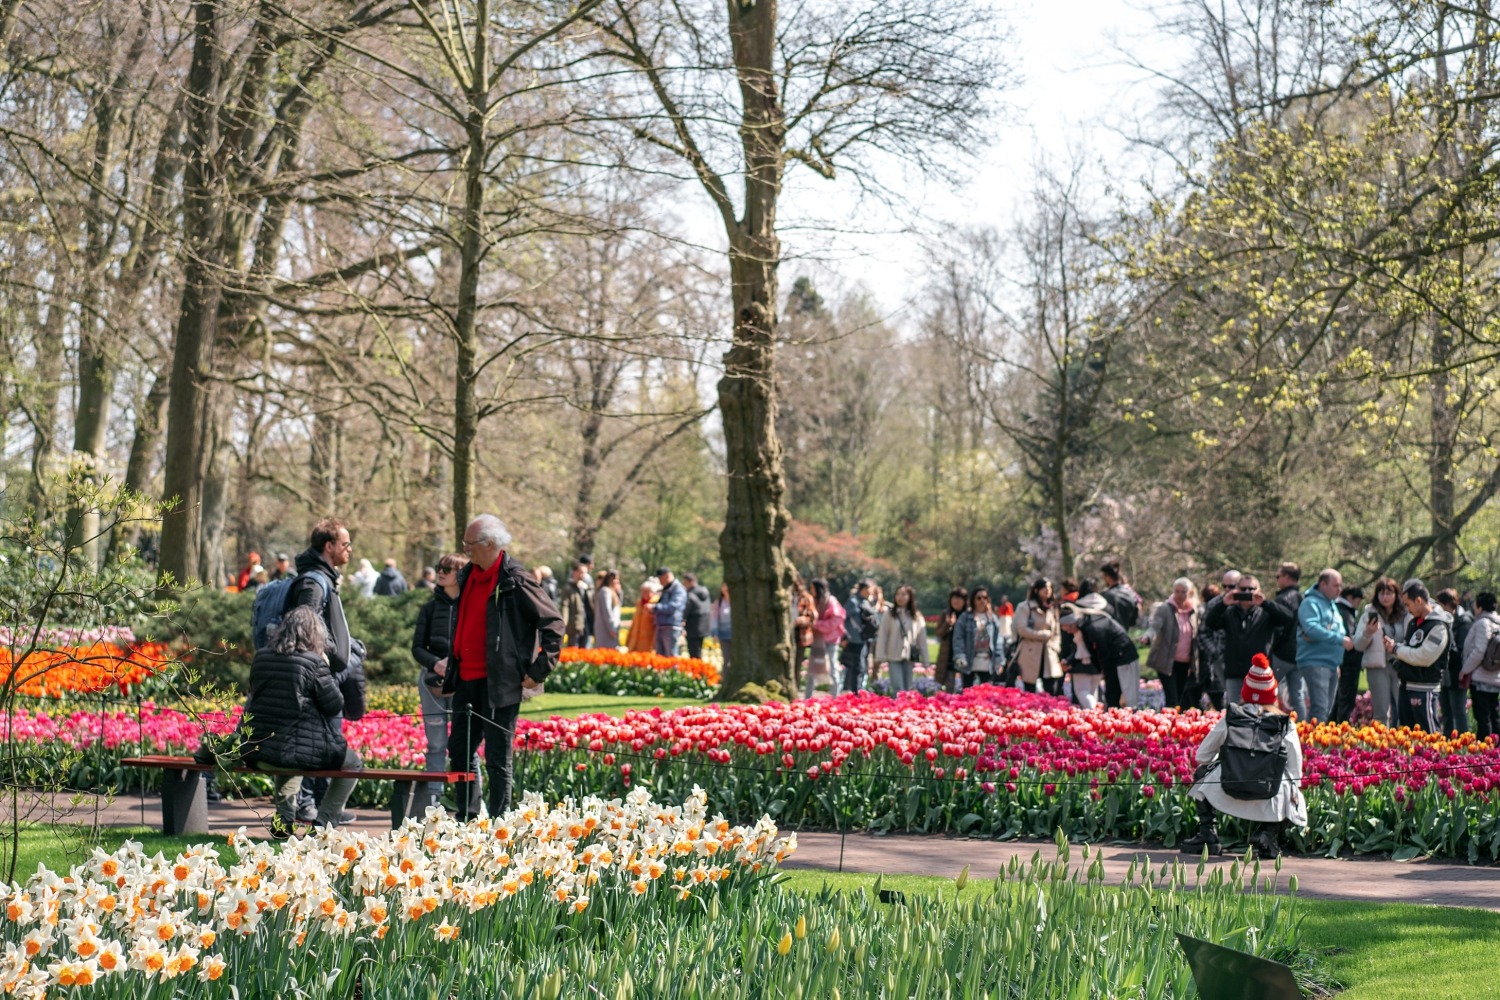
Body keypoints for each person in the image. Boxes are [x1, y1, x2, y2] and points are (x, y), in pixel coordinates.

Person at [443, 514, 563, 819]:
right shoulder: (468, 574)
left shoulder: (516, 579)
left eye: (469, 544)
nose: (465, 550)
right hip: (466, 679)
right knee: (459, 750)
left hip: (499, 683)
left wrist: (538, 671)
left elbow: (553, 623)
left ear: (490, 544)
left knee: (498, 758)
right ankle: (468, 818)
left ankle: (499, 825)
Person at [241, 606, 363, 839]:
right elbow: (334, 705)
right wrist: (325, 666)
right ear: (315, 634)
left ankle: (283, 822)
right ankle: (324, 823)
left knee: (287, 757)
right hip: (296, 753)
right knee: (353, 764)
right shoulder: (314, 663)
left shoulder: (261, 658)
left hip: (259, 750)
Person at [1179, 654, 1308, 859]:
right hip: (1269, 795)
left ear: (1245, 691)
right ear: (1272, 694)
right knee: (1293, 788)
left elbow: (1201, 756)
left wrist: (1229, 761)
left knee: (1203, 772)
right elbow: (1295, 771)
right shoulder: (1285, 723)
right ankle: (1267, 834)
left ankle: (1208, 834)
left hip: (1227, 791)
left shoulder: (1233, 716)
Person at [285, 518, 367, 824]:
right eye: (345, 544)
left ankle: (318, 805)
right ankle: (310, 807)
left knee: (326, 738)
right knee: (320, 741)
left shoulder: (323, 577)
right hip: (316, 676)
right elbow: (304, 627)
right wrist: (333, 655)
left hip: (321, 671)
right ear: (328, 547)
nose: (349, 550)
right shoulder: (312, 582)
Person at [410, 553, 473, 814]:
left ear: (460, 573)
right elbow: (416, 648)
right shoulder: (429, 608)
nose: (441, 572)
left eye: (448, 568)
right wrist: (436, 663)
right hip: (432, 682)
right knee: (435, 743)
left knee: (467, 744)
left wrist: (458, 661)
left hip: (463, 682)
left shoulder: (471, 606)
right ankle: (433, 805)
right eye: (439, 568)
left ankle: (469, 804)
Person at [1202, 574, 1294, 707]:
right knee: (1234, 712)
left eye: (1251, 589)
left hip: (1259, 675)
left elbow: (1288, 618)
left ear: (1258, 590)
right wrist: (1223, 604)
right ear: (1236, 591)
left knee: (1261, 712)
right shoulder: (1229, 612)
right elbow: (1210, 622)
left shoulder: (1266, 612)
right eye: (1243, 589)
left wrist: (1265, 603)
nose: (1247, 592)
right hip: (1235, 673)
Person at [1388, 579, 1452, 733]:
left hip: (1425, 688)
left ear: (1418, 600)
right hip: (1406, 685)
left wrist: (1396, 649)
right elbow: (1411, 649)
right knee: (1406, 734)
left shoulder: (1438, 627)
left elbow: (1423, 656)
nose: (1407, 609)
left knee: (1427, 734)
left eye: (1408, 604)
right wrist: (1395, 647)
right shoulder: (1414, 622)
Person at [1289, 569, 1352, 723]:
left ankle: (1313, 744)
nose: (1339, 589)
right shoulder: (1310, 603)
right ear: (1323, 584)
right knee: (1320, 710)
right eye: (1335, 585)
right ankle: (1312, 746)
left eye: (1340, 586)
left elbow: (1337, 628)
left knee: (1325, 710)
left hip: (1330, 663)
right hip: (1315, 662)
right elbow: (1311, 629)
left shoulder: (1331, 605)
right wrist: (1340, 639)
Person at [1059, 599, 1139, 708]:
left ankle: (1121, 720)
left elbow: (1102, 652)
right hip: (1114, 659)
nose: (1068, 633)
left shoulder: (1093, 627)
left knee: (1124, 696)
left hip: (1123, 657)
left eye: (1068, 630)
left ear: (1073, 624)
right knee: (1112, 695)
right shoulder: (1084, 625)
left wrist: (1103, 671)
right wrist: (1070, 662)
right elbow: (1082, 649)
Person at [1352, 577, 1407, 728]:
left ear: (1397, 595)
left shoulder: (1405, 614)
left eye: (1389, 593)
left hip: (1400, 665)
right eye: (1381, 594)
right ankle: (1381, 746)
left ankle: (1402, 744)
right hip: (1377, 666)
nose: (1385, 597)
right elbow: (1357, 645)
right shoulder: (1369, 614)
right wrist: (1368, 633)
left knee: (1403, 709)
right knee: (1381, 711)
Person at [1143, 578, 1199, 710]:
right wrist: (1147, 636)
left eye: (1183, 592)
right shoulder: (1165, 609)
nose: (1179, 595)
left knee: (1179, 697)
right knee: (1172, 699)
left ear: (1189, 593)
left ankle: (1176, 726)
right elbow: (1155, 626)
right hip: (1166, 661)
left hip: (1185, 662)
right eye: (1177, 591)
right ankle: (1168, 727)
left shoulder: (1193, 611)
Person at [1459, 592, 1500, 740]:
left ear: (1480, 606)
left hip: (1481, 678)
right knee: (1494, 716)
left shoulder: (1482, 623)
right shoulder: (1499, 621)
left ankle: (1487, 753)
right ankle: (1496, 753)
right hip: (1496, 678)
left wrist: (1464, 670)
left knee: (1483, 718)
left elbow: (1478, 651)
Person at [874, 584, 926, 693]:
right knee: (897, 686)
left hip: (909, 655)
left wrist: (926, 659)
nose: (900, 597)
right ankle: (898, 707)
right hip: (893, 653)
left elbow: (922, 638)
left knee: (909, 686)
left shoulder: (916, 615)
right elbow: (882, 635)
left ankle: (907, 708)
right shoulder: (889, 614)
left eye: (903, 594)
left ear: (910, 597)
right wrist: (880, 655)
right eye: (897, 594)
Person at [1014, 578, 1062, 695]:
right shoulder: (1024, 607)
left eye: (1050, 587)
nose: (1047, 590)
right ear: (1036, 590)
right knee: (1030, 687)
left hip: (1049, 652)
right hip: (1030, 652)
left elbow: (1056, 631)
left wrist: (1056, 646)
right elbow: (1022, 629)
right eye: (1044, 587)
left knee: (1050, 688)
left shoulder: (1052, 608)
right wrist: (1042, 635)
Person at [1191, 576, 1232, 711]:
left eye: (1231, 586)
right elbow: (1203, 632)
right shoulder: (1214, 604)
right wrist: (1214, 651)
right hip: (1219, 658)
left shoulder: (1250, 603)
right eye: (1224, 586)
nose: (1227, 590)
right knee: (1225, 698)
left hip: (1244, 659)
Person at [1436, 589, 1473, 734]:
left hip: (1457, 674)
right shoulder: (1442, 620)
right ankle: (1448, 744)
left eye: (1439, 604)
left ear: (1446, 604)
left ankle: (1464, 745)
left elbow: (1463, 651)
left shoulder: (1463, 621)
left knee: (1458, 711)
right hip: (1444, 674)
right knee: (1446, 711)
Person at [953, 587, 1005, 688]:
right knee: (967, 693)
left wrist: (999, 660)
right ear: (973, 600)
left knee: (986, 693)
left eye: (985, 597)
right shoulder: (965, 617)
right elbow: (958, 639)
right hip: (968, 661)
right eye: (979, 598)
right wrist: (960, 656)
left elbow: (998, 640)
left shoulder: (992, 619)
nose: (982, 600)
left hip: (987, 662)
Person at [1331, 585, 1365, 724]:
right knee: (1345, 699)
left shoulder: (1336, 609)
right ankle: (1341, 727)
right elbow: (1350, 639)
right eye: (1358, 601)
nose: (1358, 605)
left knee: (1336, 699)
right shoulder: (1345, 613)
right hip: (1348, 662)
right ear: (1350, 598)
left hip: (1339, 660)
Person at [808, 579, 846, 697]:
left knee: (833, 669)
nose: (811, 590)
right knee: (812, 669)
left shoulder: (831, 601)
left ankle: (835, 696)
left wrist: (818, 625)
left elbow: (836, 619)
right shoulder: (813, 601)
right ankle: (808, 697)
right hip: (818, 641)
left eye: (812, 588)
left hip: (831, 640)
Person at [840, 580, 879, 693]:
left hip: (864, 639)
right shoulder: (853, 601)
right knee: (857, 667)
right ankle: (854, 691)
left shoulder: (865, 601)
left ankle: (858, 690)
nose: (872, 592)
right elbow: (843, 618)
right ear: (864, 589)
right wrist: (844, 636)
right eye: (870, 589)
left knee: (862, 666)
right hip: (854, 640)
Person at [1269, 563, 1303, 682]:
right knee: (1297, 695)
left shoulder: (1283, 599)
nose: (1277, 580)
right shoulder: (1301, 598)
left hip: (1281, 654)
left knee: (1267, 690)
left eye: (1278, 576)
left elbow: (1278, 628)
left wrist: (1272, 648)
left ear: (1287, 577)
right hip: (1298, 654)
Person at [933, 587, 968, 693]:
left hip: (964, 655)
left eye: (959, 598)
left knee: (965, 687)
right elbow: (938, 633)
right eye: (954, 598)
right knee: (949, 687)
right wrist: (948, 624)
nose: (956, 601)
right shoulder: (946, 614)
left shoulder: (968, 615)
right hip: (948, 656)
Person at [653, 567, 686, 657]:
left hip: (671, 626)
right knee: (660, 656)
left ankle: (673, 671)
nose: (660, 582)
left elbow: (673, 607)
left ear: (667, 576)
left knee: (671, 655)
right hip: (661, 625)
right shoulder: (665, 589)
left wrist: (655, 608)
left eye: (661, 579)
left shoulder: (678, 589)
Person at [1099, 561, 1142, 630]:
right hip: (1124, 635)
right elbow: (1134, 620)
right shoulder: (1131, 594)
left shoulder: (1104, 596)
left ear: (1107, 577)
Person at [683, 573, 714, 659]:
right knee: (698, 650)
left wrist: (682, 619)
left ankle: (696, 670)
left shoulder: (690, 594)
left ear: (691, 582)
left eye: (685, 582)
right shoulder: (705, 591)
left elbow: (686, 609)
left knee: (693, 652)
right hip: (704, 626)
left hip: (692, 626)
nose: (684, 585)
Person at [625, 578, 659, 652]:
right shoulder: (639, 603)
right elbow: (634, 622)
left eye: (647, 592)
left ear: (653, 592)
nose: (644, 594)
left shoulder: (656, 604)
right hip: (634, 641)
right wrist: (628, 638)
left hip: (647, 643)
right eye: (643, 591)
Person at [593, 570, 622, 651]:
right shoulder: (605, 591)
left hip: (611, 627)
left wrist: (619, 592)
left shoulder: (612, 591)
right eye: (615, 579)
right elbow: (607, 611)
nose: (617, 581)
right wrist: (611, 628)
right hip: (606, 628)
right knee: (606, 651)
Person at [562, 563, 589, 648]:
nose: (583, 575)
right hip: (574, 623)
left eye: (585, 572)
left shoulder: (585, 587)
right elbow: (564, 605)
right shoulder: (568, 587)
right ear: (574, 572)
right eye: (581, 572)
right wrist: (564, 622)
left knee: (585, 648)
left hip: (585, 623)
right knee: (573, 648)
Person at [711, 583, 732, 671]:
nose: (725, 588)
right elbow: (714, 618)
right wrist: (714, 632)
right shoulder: (719, 602)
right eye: (723, 586)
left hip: (737, 635)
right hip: (724, 635)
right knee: (726, 659)